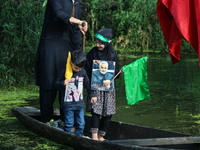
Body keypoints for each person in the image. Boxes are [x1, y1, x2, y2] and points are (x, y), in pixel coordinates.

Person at [34, 0, 88, 123]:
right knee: (48, 83)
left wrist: (79, 52)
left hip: (67, 45)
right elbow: (59, 14)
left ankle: (66, 120)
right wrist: (79, 21)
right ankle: (46, 119)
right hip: (50, 43)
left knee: (67, 82)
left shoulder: (77, 3)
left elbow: (75, 30)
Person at [85, 28, 120, 141]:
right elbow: (86, 70)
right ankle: (94, 136)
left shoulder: (113, 54)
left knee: (108, 113)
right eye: (96, 42)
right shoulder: (93, 53)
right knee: (96, 111)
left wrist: (119, 73)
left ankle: (101, 136)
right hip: (95, 87)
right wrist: (92, 92)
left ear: (106, 42)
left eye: (100, 43)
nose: (98, 45)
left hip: (108, 88)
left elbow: (115, 73)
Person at [56, 50, 97, 137]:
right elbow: (56, 84)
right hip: (68, 104)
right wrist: (63, 83)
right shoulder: (64, 72)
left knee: (81, 123)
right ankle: (67, 137)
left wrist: (92, 95)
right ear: (71, 62)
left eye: (80, 68)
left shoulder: (83, 72)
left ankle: (79, 137)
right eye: (76, 68)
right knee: (69, 123)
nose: (78, 70)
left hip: (79, 104)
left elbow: (88, 85)